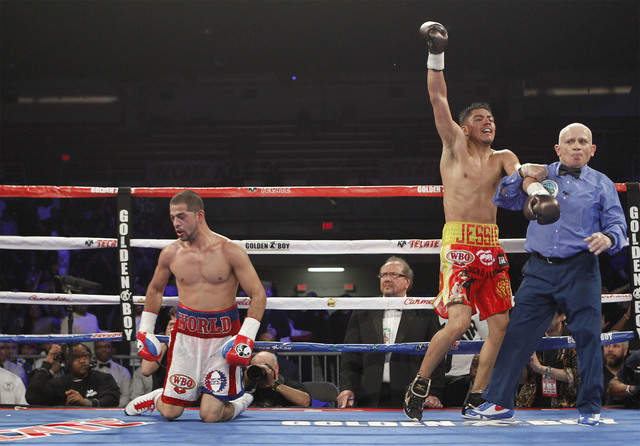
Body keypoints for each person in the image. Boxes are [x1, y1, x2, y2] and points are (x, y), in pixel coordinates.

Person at [404, 21, 549, 421]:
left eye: (492, 118)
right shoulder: (454, 145)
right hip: (459, 244)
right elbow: (438, 97)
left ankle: (477, 396)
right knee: (457, 324)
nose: (489, 122)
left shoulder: (502, 156)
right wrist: (436, 53)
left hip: (491, 243)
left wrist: (538, 176)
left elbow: (519, 170)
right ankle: (420, 382)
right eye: (481, 118)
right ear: (466, 126)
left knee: (501, 324)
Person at [467, 122, 628, 426]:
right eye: (570, 142)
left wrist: (608, 239)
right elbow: (502, 198)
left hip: (580, 269)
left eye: (583, 142)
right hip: (539, 269)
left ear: (592, 150)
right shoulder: (541, 174)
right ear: (558, 149)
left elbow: (618, 226)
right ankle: (499, 402)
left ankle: (591, 407)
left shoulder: (602, 184)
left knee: (588, 338)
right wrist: (521, 172)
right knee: (517, 335)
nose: (577, 147)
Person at [125, 190, 267, 423]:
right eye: (172, 218)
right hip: (186, 338)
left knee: (210, 415)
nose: (176, 223)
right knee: (171, 413)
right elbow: (155, 290)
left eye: (182, 216)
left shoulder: (229, 250)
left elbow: (258, 294)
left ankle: (241, 401)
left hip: (222, 338)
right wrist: (145, 330)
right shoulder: (171, 253)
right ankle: (157, 398)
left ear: (200, 215)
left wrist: (246, 337)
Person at [339, 257, 445, 409]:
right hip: (368, 392)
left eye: (393, 275)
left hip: (412, 393)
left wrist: (434, 392)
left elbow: (437, 354)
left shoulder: (425, 313)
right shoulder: (363, 311)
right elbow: (350, 353)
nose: (387, 279)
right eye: (383, 275)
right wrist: (346, 387)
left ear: (407, 282)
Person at [515, 308, 579, 408]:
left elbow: (578, 376)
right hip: (530, 402)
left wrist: (542, 369)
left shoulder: (575, 338)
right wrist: (520, 360)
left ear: (563, 316)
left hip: (566, 404)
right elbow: (522, 380)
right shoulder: (532, 336)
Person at [25, 343, 120, 407]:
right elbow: (32, 397)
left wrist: (87, 403)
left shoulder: (103, 378)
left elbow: (113, 400)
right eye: (76, 357)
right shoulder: (57, 384)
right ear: (64, 363)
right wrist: (47, 362)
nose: (82, 361)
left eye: (85, 356)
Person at [244, 351, 310, 408]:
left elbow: (305, 402)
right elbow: (234, 403)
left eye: (265, 368)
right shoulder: (250, 387)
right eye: (257, 368)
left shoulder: (289, 385)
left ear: (276, 368)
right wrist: (244, 384)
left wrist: (274, 384)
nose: (261, 372)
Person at [94, 341, 132, 407]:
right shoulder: (89, 370)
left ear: (112, 349)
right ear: (95, 349)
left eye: (107, 346)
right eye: (100, 347)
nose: (104, 350)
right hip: (92, 410)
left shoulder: (123, 371)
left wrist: (112, 408)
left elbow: (125, 396)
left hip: (115, 410)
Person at [602, 341, 629, 405]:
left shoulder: (631, 373)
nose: (610, 350)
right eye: (606, 346)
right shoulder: (594, 374)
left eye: (615, 346)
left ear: (625, 351)